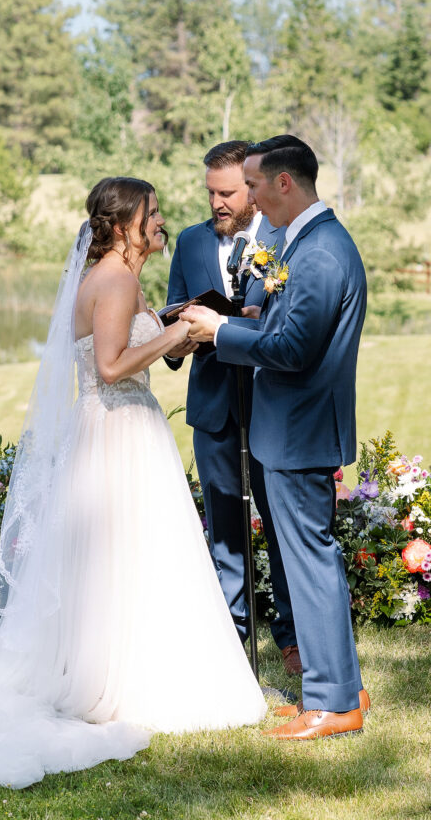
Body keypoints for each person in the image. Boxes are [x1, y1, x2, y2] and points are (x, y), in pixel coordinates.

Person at [0, 177, 266, 787]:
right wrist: (181, 334)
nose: (161, 222)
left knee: (124, 557)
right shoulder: (117, 278)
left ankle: (112, 661)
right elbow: (109, 367)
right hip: (118, 427)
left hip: (113, 429)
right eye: (152, 214)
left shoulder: (112, 279)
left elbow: (111, 340)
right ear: (125, 224)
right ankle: (122, 678)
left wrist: (166, 316)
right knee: (132, 551)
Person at [182, 135, 368, 741]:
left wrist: (219, 330)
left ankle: (335, 703)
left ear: (284, 183)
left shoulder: (317, 254)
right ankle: (334, 686)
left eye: (256, 185)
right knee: (310, 559)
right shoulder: (311, 243)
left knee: (310, 563)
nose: (250, 197)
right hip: (293, 428)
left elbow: (291, 348)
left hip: (297, 429)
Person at [166, 140, 299, 673]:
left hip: (272, 404)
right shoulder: (190, 241)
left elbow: (294, 327)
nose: (217, 203)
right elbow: (175, 321)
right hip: (214, 404)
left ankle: (293, 640)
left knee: (281, 522)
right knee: (224, 527)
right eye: (211, 193)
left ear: (252, 187)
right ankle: (232, 643)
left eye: (227, 193)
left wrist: (240, 323)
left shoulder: (284, 238)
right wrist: (184, 329)